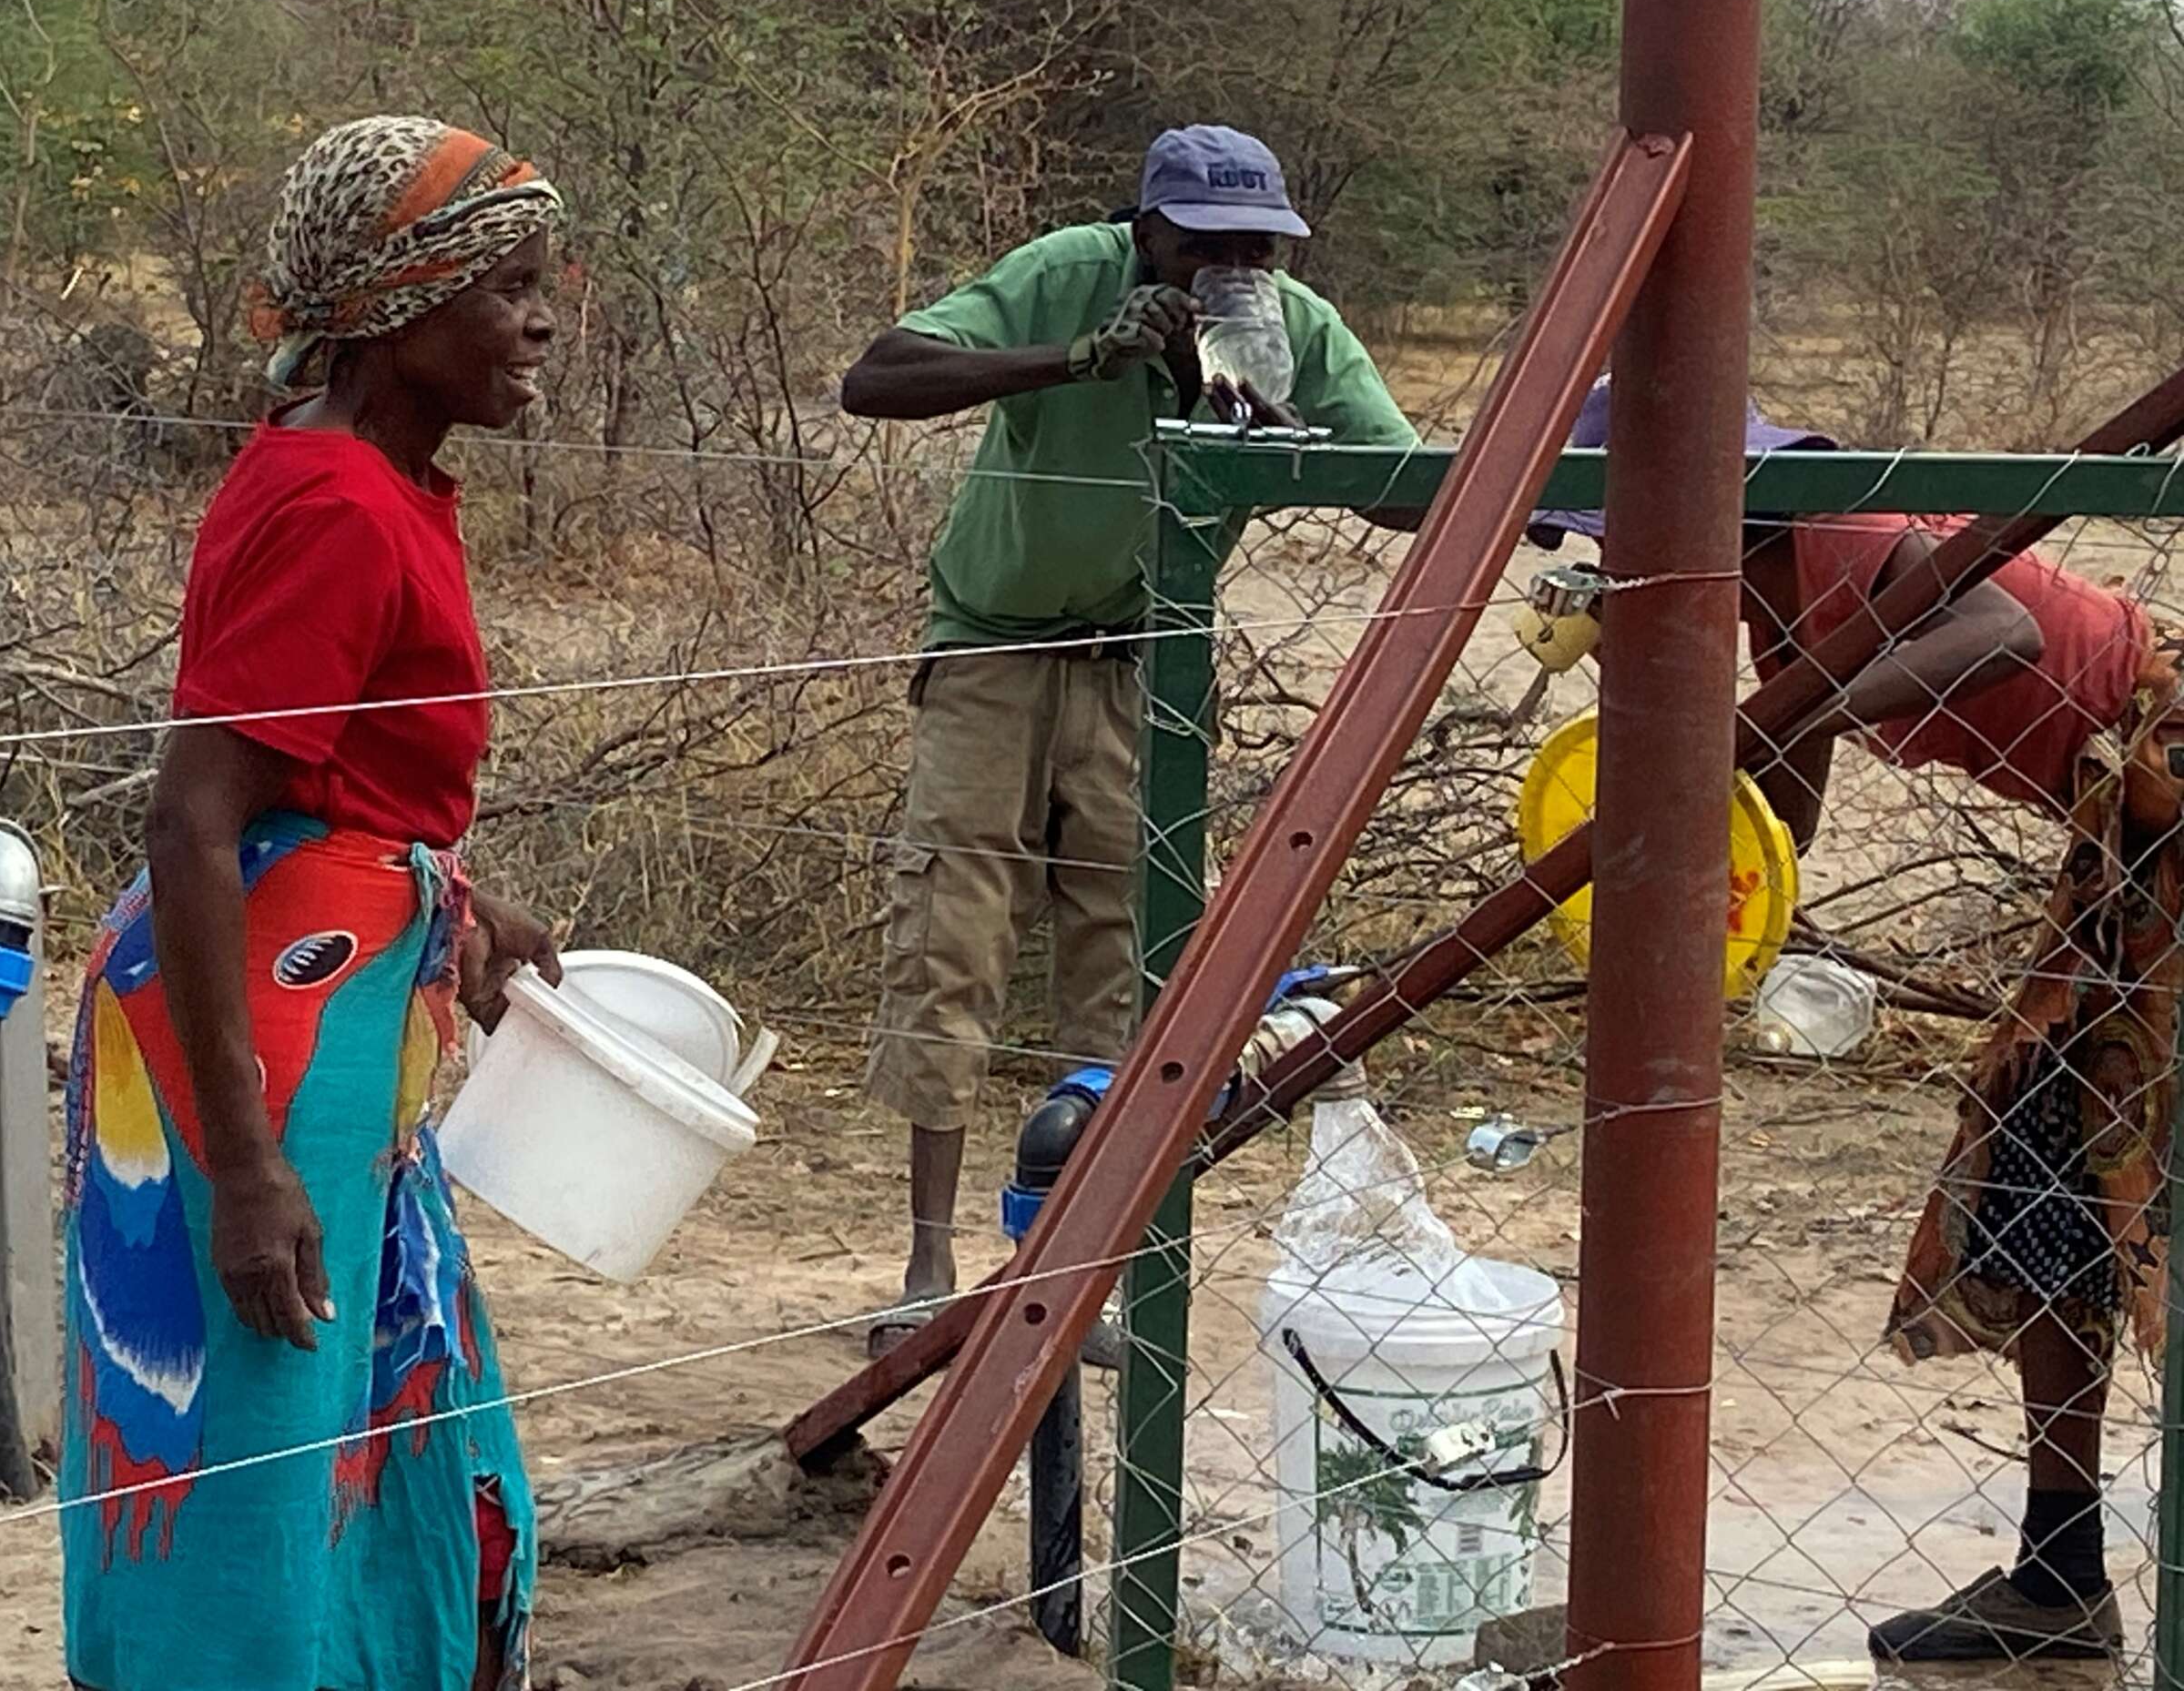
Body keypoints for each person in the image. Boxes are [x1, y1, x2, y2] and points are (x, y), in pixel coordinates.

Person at [1533, 380, 2174, 1664]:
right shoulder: (1772, 613)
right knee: (2040, 1149)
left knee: (2094, 1146)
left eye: (1615, 548)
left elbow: (1999, 629)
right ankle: (2059, 1573)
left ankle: (2062, 1575)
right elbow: (1786, 817)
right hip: (2122, 848)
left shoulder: (1839, 528)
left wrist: (1804, 701)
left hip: (2158, 788)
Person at [60, 116, 567, 1691]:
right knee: (259, 1463)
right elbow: (196, 813)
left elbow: (319, 791)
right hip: (265, 1050)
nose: (544, 321)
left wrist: (456, 910)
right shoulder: (337, 503)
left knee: (361, 1421)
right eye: (511, 288)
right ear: (404, 310)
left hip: (321, 1012)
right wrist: (243, 1165)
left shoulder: (363, 477)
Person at [838, 126, 1422, 1353]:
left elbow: (1405, 485)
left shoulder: (1290, 326)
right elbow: (877, 378)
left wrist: (1289, 447)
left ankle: (1071, 1268)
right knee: (951, 933)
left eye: (1258, 249)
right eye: (1207, 249)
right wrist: (1076, 359)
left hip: (1144, 661)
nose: (1234, 271)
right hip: (996, 645)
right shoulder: (1067, 273)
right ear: (1149, 233)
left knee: (1126, 955)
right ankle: (929, 1266)